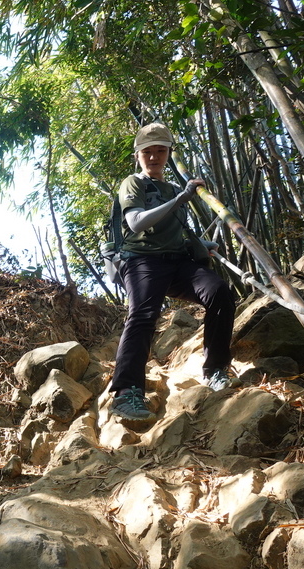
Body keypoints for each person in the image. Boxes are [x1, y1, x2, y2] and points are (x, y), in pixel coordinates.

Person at [109, 123, 238, 421]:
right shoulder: (134, 183)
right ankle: (127, 393)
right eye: (147, 152)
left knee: (219, 292)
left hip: (177, 261)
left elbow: (173, 232)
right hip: (141, 260)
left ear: (168, 153)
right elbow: (137, 223)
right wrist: (181, 198)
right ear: (138, 155)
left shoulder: (171, 188)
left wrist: (202, 243)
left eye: (160, 151)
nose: (154, 157)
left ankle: (215, 369)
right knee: (143, 315)